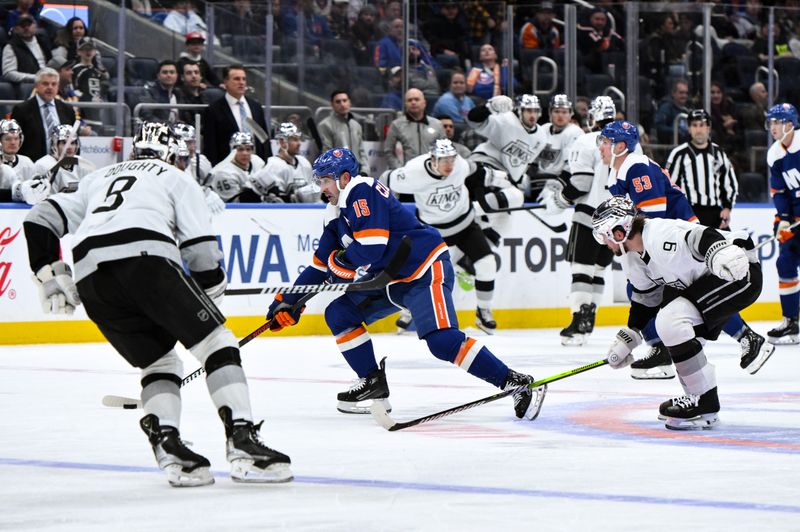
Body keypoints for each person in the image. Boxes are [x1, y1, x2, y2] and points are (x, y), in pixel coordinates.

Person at [22, 121, 292, 486]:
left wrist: (47, 270)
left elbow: (38, 218)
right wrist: (208, 304)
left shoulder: (96, 178)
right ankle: (242, 442)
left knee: (160, 360)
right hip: (147, 260)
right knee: (218, 343)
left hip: (90, 277)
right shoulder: (176, 177)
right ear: (172, 153)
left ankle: (169, 444)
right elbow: (200, 253)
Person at [264, 147, 547, 420]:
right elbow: (318, 267)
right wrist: (287, 301)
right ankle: (372, 384)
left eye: (326, 180)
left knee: (442, 342)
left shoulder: (361, 190)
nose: (322, 187)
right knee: (339, 314)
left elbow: (371, 247)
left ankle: (514, 382)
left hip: (424, 269)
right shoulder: (337, 214)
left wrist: (340, 264)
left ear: (344, 178)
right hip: (392, 279)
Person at [600, 120, 773, 378]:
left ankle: (738, 339)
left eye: (605, 141)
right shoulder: (622, 171)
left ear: (620, 146)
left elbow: (651, 219)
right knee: (652, 291)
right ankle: (666, 350)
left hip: (677, 242)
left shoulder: (635, 167)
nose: (600, 146)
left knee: (688, 296)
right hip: (668, 243)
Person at [592, 196, 763, 430]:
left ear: (619, 230)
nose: (603, 242)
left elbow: (700, 236)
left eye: (603, 234)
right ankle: (704, 401)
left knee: (670, 321)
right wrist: (628, 338)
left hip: (738, 272)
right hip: (711, 283)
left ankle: (702, 400)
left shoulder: (659, 233)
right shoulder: (632, 258)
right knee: (676, 331)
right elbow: (645, 301)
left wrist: (720, 253)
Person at [539, 97, 639, 345]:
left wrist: (559, 201)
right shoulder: (632, 144)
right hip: (619, 221)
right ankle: (590, 313)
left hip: (590, 215)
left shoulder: (585, 140)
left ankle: (578, 319)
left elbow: (581, 184)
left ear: (591, 116)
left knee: (581, 269)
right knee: (598, 269)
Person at [385, 139, 500, 332]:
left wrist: (501, 179)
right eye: (443, 160)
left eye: (451, 159)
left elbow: (476, 170)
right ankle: (410, 308)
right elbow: (385, 180)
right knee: (420, 273)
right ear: (432, 159)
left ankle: (483, 311)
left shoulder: (459, 165)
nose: (449, 165)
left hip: (465, 225)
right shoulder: (413, 171)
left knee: (487, 265)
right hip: (433, 232)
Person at [665, 109, 738, 229]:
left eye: (702, 125)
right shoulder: (679, 154)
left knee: (730, 246)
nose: (698, 130)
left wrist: (727, 207)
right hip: (689, 214)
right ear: (689, 129)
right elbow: (668, 186)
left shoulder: (719, 153)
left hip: (715, 213)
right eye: (694, 125)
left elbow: (729, 183)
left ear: (708, 128)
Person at [765, 103, 800, 344]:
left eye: (777, 122)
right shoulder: (774, 153)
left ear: (789, 124)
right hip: (796, 220)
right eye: (772, 123)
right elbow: (779, 192)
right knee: (785, 263)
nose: (773, 127)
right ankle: (791, 321)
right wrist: (783, 220)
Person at [203, 65, 269, 165]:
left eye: (244, 79)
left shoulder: (256, 107)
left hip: (256, 166)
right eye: (237, 79)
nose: (241, 82)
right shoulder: (213, 110)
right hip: (228, 167)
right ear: (225, 82)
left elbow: (264, 140)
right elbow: (210, 146)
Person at [11, 68, 78, 162]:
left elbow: (74, 139)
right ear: (36, 86)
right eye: (45, 84)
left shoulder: (67, 109)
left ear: (58, 87)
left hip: (62, 164)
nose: (50, 87)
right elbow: (15, 141)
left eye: (54, 84)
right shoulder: (22, 110)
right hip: (32, 164)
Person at [251, 122, 320, 203]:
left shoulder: (304, 163)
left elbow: (312, 194)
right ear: (282, 142)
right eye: (294, 139)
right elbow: (277, 201)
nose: (299, 143)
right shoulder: (273, 165)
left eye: (299, 139)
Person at [532, 94, 584, 195]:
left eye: (564, 112)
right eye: (556, 111)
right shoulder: (543, 129)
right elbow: (532, 160)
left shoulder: (575, 132)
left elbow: (571, 167)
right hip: (539, 179)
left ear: (570, 114)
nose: (560, 115)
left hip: (561, 180)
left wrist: (559, 183)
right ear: (550, 113)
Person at [384, 88, 445, 170]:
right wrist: (399, 170)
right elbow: (388, 151)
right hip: (407, 175)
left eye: (416, 99)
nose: (413, 102)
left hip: (432, 173)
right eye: (410, 100)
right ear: (405, 104)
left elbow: (444, 150)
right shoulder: (396, 125)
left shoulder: (437, 125)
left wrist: (437, 169)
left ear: (424, 103)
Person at [317, 90, 369, 174]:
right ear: (332, 105)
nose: (342, 104)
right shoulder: (325, 125)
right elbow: (327, 153)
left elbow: (361, 151)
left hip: (357, 174)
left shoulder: (356, 125)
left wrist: (365, 171)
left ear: (349, 103)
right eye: (338, 102)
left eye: (345, 100)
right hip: (338, 175)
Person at [210, 132, 265, 202]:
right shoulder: (223, 173)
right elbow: (236, 204)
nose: (245, 153)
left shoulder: (257, 161)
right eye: (240, 149)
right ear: (232, 150)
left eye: (248, 149)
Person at [2, 14, 50, 85]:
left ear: (35, 25)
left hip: (49, 82)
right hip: (27, 86)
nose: (26, 28)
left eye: (29, 24)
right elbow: (8, 73)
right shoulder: (11, 47)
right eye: (22, 25)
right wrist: (35, 78)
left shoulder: (42, 41)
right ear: (15, 29)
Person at [71, 37, 109, 123]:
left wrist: (99, 99)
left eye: (90, 49)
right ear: (78, 51)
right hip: (83, 112)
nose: (87, 51)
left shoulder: (97, 72)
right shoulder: (76, 70)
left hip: (96, 112)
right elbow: (73, 90)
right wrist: (87, 98)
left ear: (95, 52)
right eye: (84, 49)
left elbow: (100, 90)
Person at [140, 60, 181, 124]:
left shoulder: (178, 92)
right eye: (165, 72)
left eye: (172, 72)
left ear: (177, 76)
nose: (169, 75)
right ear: (158, 76)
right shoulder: (149, 91)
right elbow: (147, 116)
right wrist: (167, 126)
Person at [654, 78, 691, 144]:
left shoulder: (688, 109)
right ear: (673, 93)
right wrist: (676, 131)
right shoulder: (665, 108)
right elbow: (659, 128)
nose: (684, 96)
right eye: (681, 93)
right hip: (670, 147)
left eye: (686, 93)